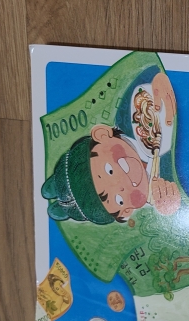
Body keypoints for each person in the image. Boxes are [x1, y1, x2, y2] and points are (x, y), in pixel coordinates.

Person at [41, 72, 181, 225]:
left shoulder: (132, 110)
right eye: (119, 200)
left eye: (109, 170)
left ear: (102, 134)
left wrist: (160, 79)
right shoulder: (160, 192)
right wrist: (173, 205)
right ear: (126, 212)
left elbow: (153, 72)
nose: (121, 184)